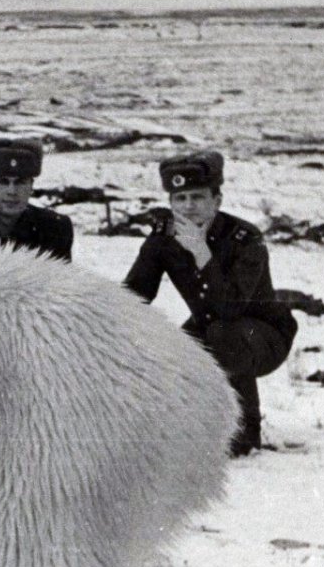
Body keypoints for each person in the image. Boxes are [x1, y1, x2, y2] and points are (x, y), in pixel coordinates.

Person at [123, 150, 297, 457]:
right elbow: (134, 296)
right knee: (172, 345)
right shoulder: (164, 238)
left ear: (217, 201)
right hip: (210, 325)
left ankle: (245, 433)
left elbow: (230, 309)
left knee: (222, 333)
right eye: (180, 199)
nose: (188, 207)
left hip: (263, 334)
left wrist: (202, 254)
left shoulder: (245, 239)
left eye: (197, 197)